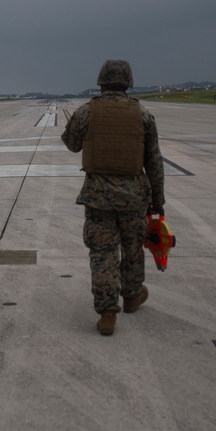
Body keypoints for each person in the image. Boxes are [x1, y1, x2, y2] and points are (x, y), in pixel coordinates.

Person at [61, 59, 165, 336]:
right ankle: (131, 296)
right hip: (134, 198)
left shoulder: (86, 112)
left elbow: (71, 145)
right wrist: (158, 200)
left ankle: (107, 313)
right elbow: (154, 161)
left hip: (98, 198)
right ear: (128, 82)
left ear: (101, 81)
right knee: (132, 248)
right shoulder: (142, 115)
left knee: (102, 253)